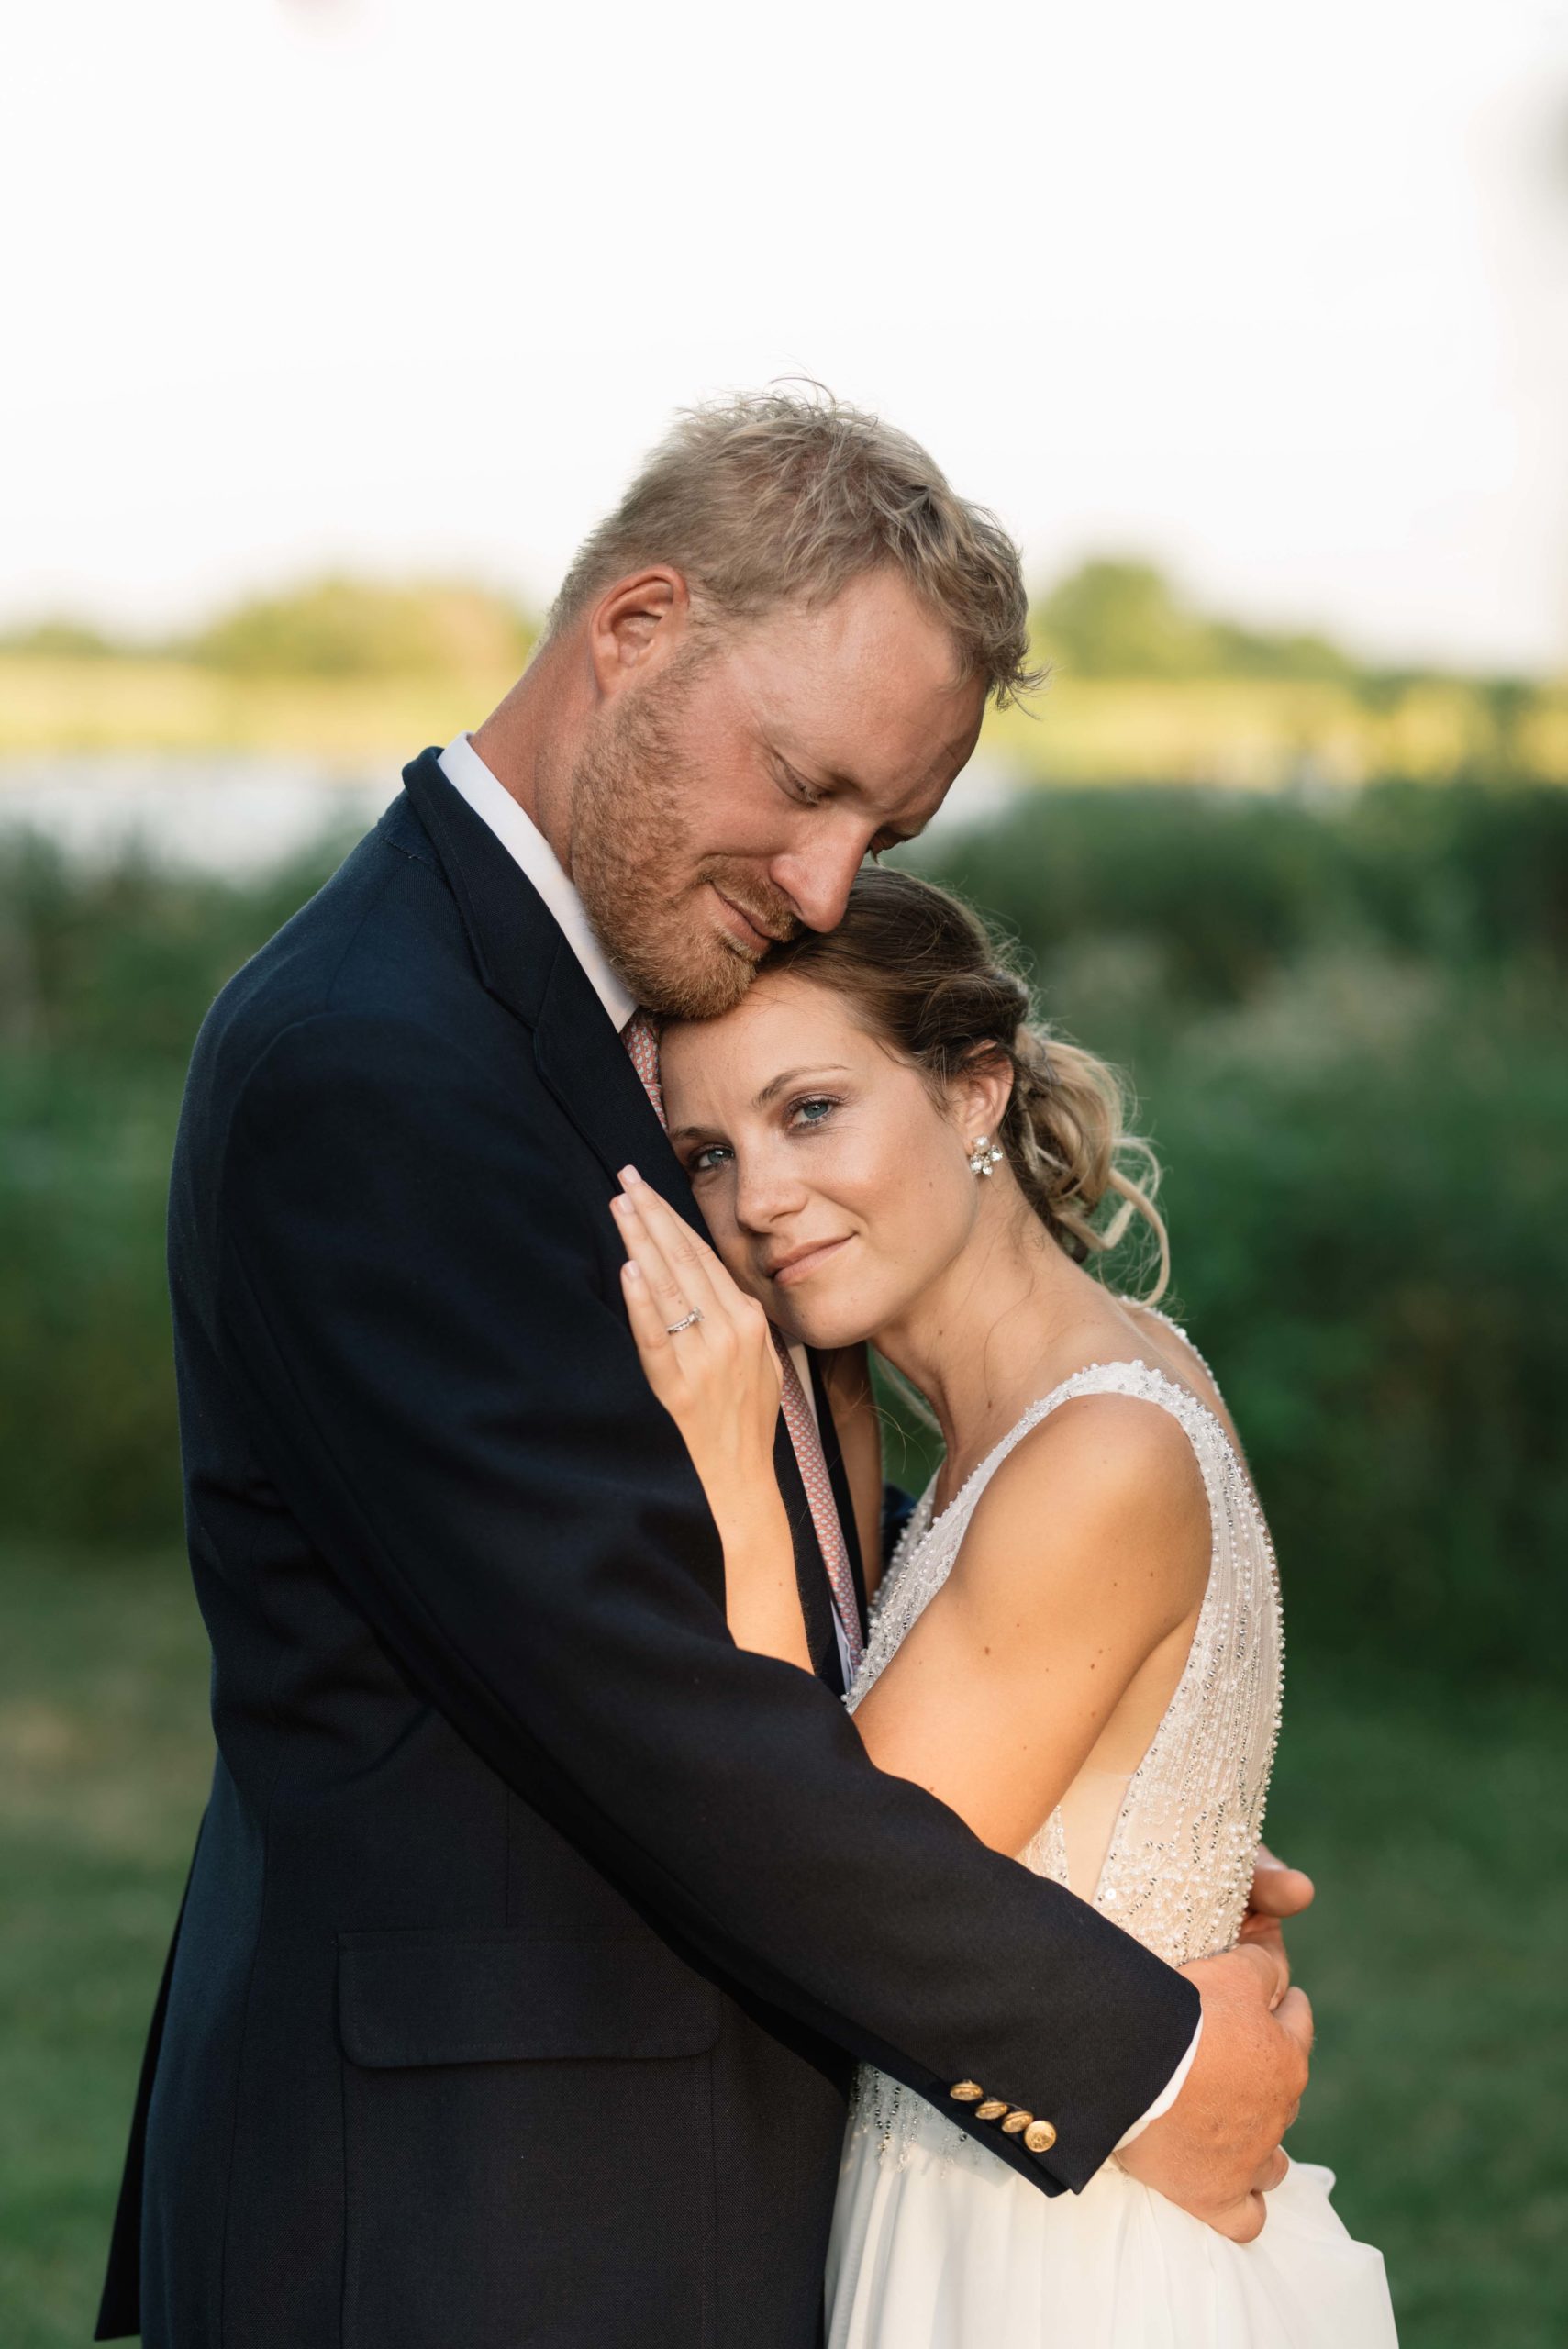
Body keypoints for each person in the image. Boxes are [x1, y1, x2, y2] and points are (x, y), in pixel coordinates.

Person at [97, 391, 1312, 2349]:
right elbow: (645, 1707)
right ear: (639, 629)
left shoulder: (599, 1006)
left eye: (886, 832)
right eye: (808, 782)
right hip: (473, 2227)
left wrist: (1076, 1798)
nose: (830, 885)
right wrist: (1141, 2047)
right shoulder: (379, 1065)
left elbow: (700, 1536)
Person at [612, 863, 1397, 2344]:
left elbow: (823, 1883)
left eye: (810, 1110)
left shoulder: (1092, 1451)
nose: (758, 1199)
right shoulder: (1085, 1379)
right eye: (706, 1152)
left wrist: (729, 1466)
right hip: (1030, 2187)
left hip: (1049, 2257)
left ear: (973, 1091)